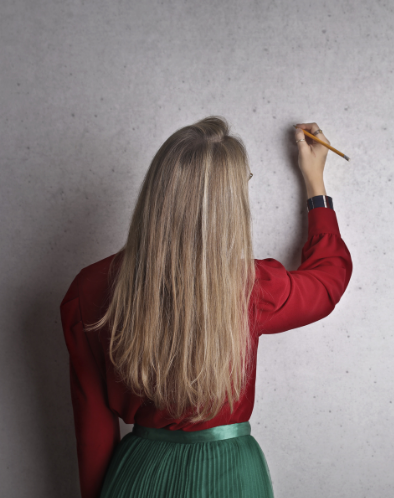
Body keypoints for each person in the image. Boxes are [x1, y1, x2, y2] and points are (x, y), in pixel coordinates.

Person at [59, 117, 352, 498]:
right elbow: (329, 281)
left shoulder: (90, 288)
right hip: (228, 475)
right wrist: (315, 184)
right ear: (231, 204)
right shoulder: (252, 287)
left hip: (137, 475)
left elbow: (93, 427)